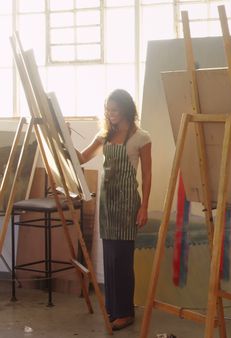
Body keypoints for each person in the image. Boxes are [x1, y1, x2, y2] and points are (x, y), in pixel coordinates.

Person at [78, 89, 152, 331]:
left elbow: (148, 175)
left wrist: (144, 207)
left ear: (127, 110)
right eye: (108, 110)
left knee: (122, 259)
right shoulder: (104, 136)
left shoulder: (142, 137)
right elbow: (81, 158)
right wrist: (63, 139)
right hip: (108, 204)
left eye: (115, 110)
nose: (110, 114)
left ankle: (125, 312)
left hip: (127, 203)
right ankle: (112, 308)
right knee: (110, 258)